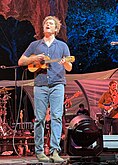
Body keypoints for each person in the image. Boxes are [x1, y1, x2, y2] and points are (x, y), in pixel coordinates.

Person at [18, 16, 72, 163]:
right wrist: (33, 60)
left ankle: (55, 151)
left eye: (51, 24)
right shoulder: (35, 45)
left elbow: (69, 66)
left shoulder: (62, 46)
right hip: (40, 84)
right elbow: (21, 61)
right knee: (39, 119)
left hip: (57, 84)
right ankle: (40, 151)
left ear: (56, 29)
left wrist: (64, 63)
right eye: (46, 23)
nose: (47, 25)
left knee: (56, 117)